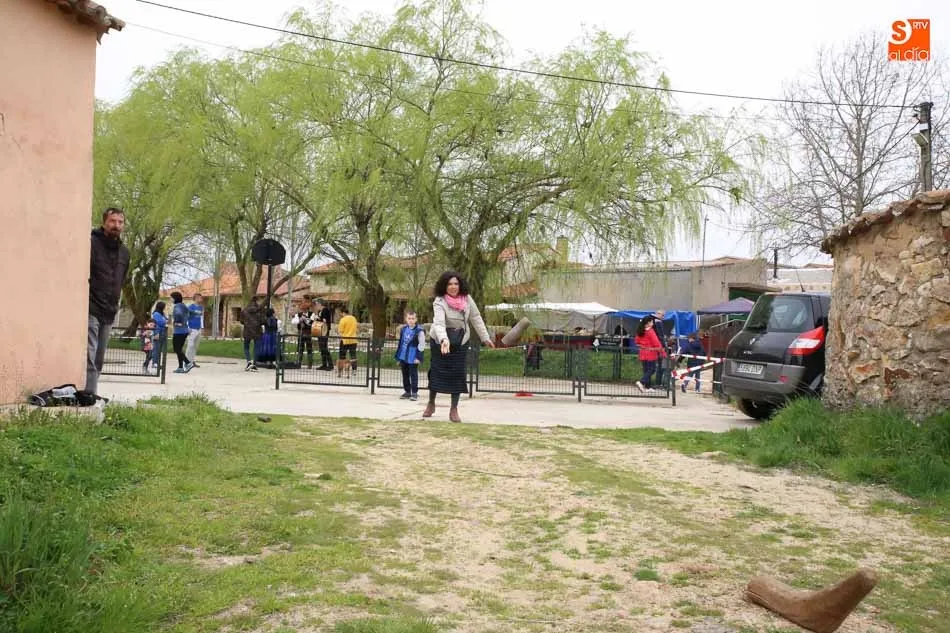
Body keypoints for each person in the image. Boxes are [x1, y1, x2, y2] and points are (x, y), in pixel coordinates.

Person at [425, 271, 495, 422]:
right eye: (450, 284)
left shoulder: (467, 299)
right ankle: (431, 403)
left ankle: (454, 409)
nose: (453, 287)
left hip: (460, 341)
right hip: (440, 342)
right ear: (444, 286)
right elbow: (439, 323)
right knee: (436, 372)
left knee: (457, 374)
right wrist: (444, 340)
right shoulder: (439, 301)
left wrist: (485, 338)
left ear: (460, 285)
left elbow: (476, 317)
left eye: (456, 284)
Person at [86, 207, 130, 395]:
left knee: (99, 357)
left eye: (120, 222)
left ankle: (91, 393)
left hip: (110, 310)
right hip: (91, 307)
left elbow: (122, 279)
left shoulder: (124, 253)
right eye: (112, 221)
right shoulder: (91, 243)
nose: (116, 225)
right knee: (89, 354)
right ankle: (89, 395)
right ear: (104, 223)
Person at [395, 310, 426, 400]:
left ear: (416, 319)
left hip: (413, 356)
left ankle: (414, 393)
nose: (411, 320)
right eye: (409, 318)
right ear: (406, 319)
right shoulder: (403, 329)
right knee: (405, 374)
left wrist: (418, 357)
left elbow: (422, 345)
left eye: (413, 318)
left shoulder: (419, 331)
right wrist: (398, 357)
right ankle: (407, 391)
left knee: (413, 374)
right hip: (403, 355)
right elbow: (401, 343)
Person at [634, 316, 666, 392]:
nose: (653, 323)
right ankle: (641, 382)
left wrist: (642, 346)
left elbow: (636, 342)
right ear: (648, 323)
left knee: (646, 370)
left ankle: (648, 387)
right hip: (651, 353)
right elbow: (656, 343)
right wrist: (663, 352)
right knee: (652, 369)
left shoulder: (640, 331)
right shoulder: (650, 331)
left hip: (642, 353)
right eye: (651, 322)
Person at [239, 296, 264, 371]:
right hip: (257, 331)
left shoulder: (244, 310)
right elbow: (263, 321)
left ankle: (249, 362)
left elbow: (241, 321)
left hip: (247, 331)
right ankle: (254, 364)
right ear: (257, 301)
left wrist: (247, 323)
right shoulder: (260, 310)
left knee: (246, 347)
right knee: (257, 348)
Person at [170, 292, 192, 374]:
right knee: (179, 350)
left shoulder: (177, 306)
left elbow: (178, 314)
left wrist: (177, 322)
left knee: (177, 349)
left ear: (175, 298)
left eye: (171, 297)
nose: (170, 299)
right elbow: (189, 315)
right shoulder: (184, 306)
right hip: (185, 330)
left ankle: (188, 363)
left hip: (179, 331)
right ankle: (180, 367)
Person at [291, 303, 316, 368]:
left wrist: (305, 319)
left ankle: (310, 364)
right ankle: (299, 363)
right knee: (300, 348)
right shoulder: (298, 314)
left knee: (309, 348)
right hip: (301, 333)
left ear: (307, 309)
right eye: (302, 309)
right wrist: (300, 320)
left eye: (304, 310)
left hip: (308, 333)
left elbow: (311, 322)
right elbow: (293, 321)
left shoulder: (312, 314)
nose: (303, 311)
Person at [185, 293, 205, 368]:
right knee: (190, 346)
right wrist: (187, 327)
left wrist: (202, 327)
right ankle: (186, 362)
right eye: (200, 298)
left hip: (198, 328)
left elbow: (201, 318)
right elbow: (186, 318)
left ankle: (192, 361)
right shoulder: (190, 307)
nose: (201, 299)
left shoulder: (201, 307)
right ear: (196, 298)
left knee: (195, 346)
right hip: (192, 328)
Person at [337, 306, 359, 372]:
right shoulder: (354, 318)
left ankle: (340, 369)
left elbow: (340, 331)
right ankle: (354, 370)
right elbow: (356, 329)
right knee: (353, 355)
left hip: (345, 340)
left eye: (341, 313)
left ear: (343, 313)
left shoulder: (343, 320)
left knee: (342, 355)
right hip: (353, 339)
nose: (341, 315)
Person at [314, 299, 333, 370]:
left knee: (324, 347)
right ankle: (324, 364)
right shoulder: (320, 311)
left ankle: (330, 365)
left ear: (320, 304)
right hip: (320, 330)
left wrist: (318, 318)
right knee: (322, 348)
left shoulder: (325, 310)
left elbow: (324, 321)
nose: (316, 306)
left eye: (316, 304)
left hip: (324, 331)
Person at [651, 310, 668, 388]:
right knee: (661, 365)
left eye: (664, 315)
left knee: (659, 365)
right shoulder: (658, 322)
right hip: (658, 347)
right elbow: (661, 335)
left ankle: (657, 383)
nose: (663, 317)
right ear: (657, 314)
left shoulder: (652, 322)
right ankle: (659, 383)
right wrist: (664, 346)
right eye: (662, 315)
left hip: (654, 346)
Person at [151, 301, 167, 374]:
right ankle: (154, 363)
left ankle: (157, 362)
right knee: (156, 348)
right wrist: (156, 333)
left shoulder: (162, 314)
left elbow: (166, 320)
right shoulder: (156, 314)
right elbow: (159, 322)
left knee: (160, 349)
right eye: (164, 306)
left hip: (163, 332)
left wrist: (165, 320)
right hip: (158, 332)